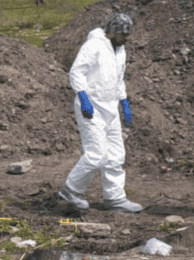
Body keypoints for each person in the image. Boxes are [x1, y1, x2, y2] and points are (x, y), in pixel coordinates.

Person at [58, 13, 142, 214]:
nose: (126, 38)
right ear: (111, 31)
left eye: (128, 34)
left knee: (115, 154)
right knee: (96, 153)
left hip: (110, 108)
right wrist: (83, 97)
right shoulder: (93, 46)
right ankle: (71, 190)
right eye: (122, 34)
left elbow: (119, 79)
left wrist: (124, 102)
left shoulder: (120, 50)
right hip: (91, 107)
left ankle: (114, 198)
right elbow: (76, 72)